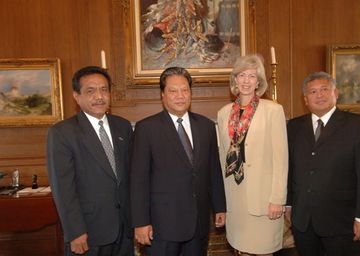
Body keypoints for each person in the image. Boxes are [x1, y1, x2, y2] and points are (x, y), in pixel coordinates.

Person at [130, 66, 226, 256]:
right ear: (163, 95)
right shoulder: (146, 128)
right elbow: (138, 180)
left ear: (190, 93)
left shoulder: (206, 126)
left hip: (198, 223)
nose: (180, 96)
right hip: (162, 226)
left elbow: (214, 170)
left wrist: (220, 207)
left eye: (185, 90)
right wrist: (141, 222)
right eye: (173, 91)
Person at [286, 71, 360, 256]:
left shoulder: (358, 125)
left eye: (324, 89)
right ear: (305, 99)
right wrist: (289, 205)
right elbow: (290, 169)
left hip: (343, 222)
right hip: (303, 222)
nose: (319, 95)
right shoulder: (294, 127)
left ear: (336, 93)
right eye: (313, 92)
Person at [47, 66, 134, 256]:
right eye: (90, 91)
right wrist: (75, 231)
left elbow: (129, 177)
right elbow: (63, 188)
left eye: (104, 89)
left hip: (124, 230)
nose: (99, 96)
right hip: (88, 232)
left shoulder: (123, 127)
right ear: (76, 97)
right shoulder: (62, 132)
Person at [217, 54, 288, 255]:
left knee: (263, 250)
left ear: (259, 82)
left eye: (252, 76)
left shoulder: (273, 110)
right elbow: (223, 156)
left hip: (264, 200)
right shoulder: (223, 113)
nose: (246, 81)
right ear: (235, 79)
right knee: (240, 250)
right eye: (242, 75)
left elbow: (281, 159)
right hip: (235, 199)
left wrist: (278, 199)